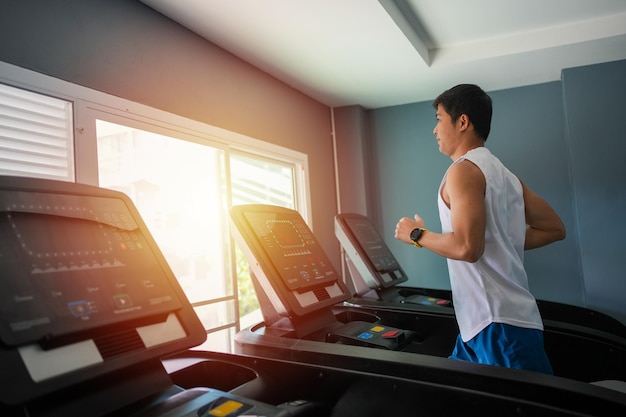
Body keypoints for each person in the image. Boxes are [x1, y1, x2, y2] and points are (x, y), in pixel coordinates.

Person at [394, 84, 566, 374]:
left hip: (497, 323)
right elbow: (553, 229)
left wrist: (416, 235)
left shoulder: (462, 170)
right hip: (484, 322)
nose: (434, 130)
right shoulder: (507, 176)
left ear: (462, 121)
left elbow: (467, 247)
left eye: (438, 119)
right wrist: (503, 239)